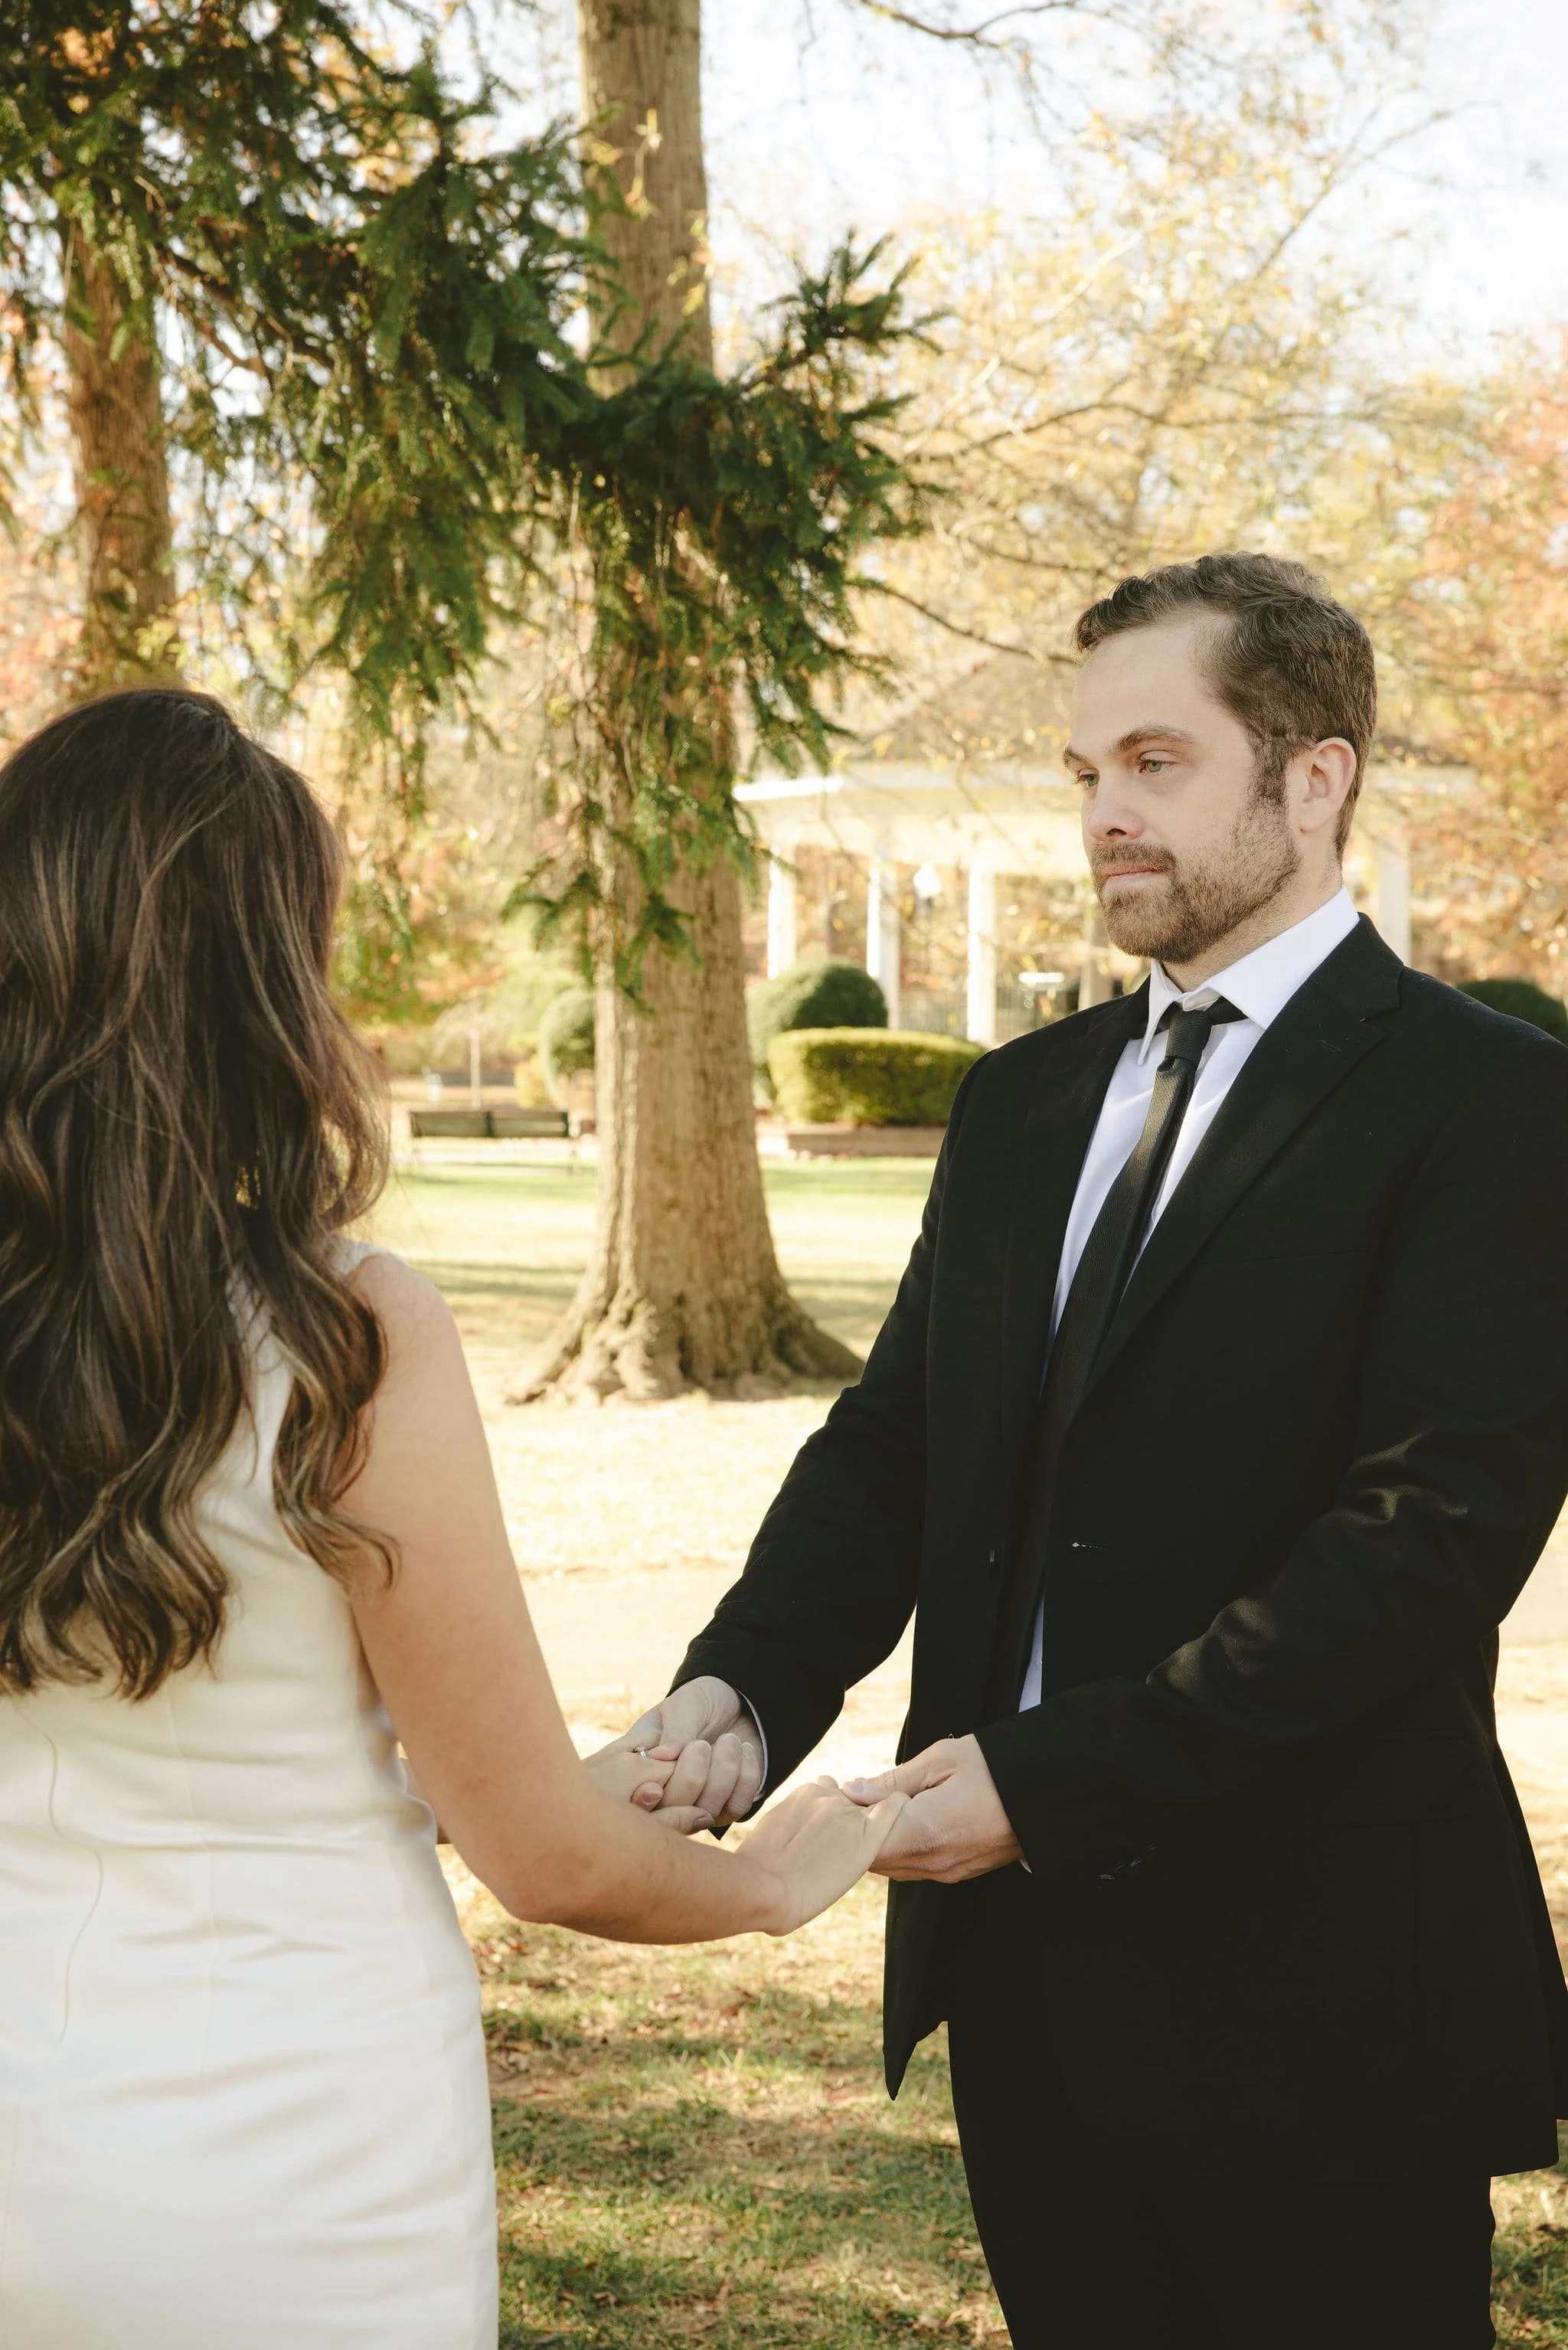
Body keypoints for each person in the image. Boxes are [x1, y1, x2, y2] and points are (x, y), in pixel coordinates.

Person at [613, 554, 1568, 2349]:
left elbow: (1425, 1540)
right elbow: (899, 1442)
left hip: (1323, 1987)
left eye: (1154, 760)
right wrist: (744, 1688)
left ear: (1315, 777)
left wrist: (1048, 1781)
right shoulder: (1019, 1099)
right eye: (1084, 772)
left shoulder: (1492, 1101)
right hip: (1021, 1979)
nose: (1103, 813)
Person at [0, 688, 904, 2350]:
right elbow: (542, 1860)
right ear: (264, 981)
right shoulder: (343, 1333)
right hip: (296, 2164)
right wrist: (772, 1882)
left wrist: (483, 1783)